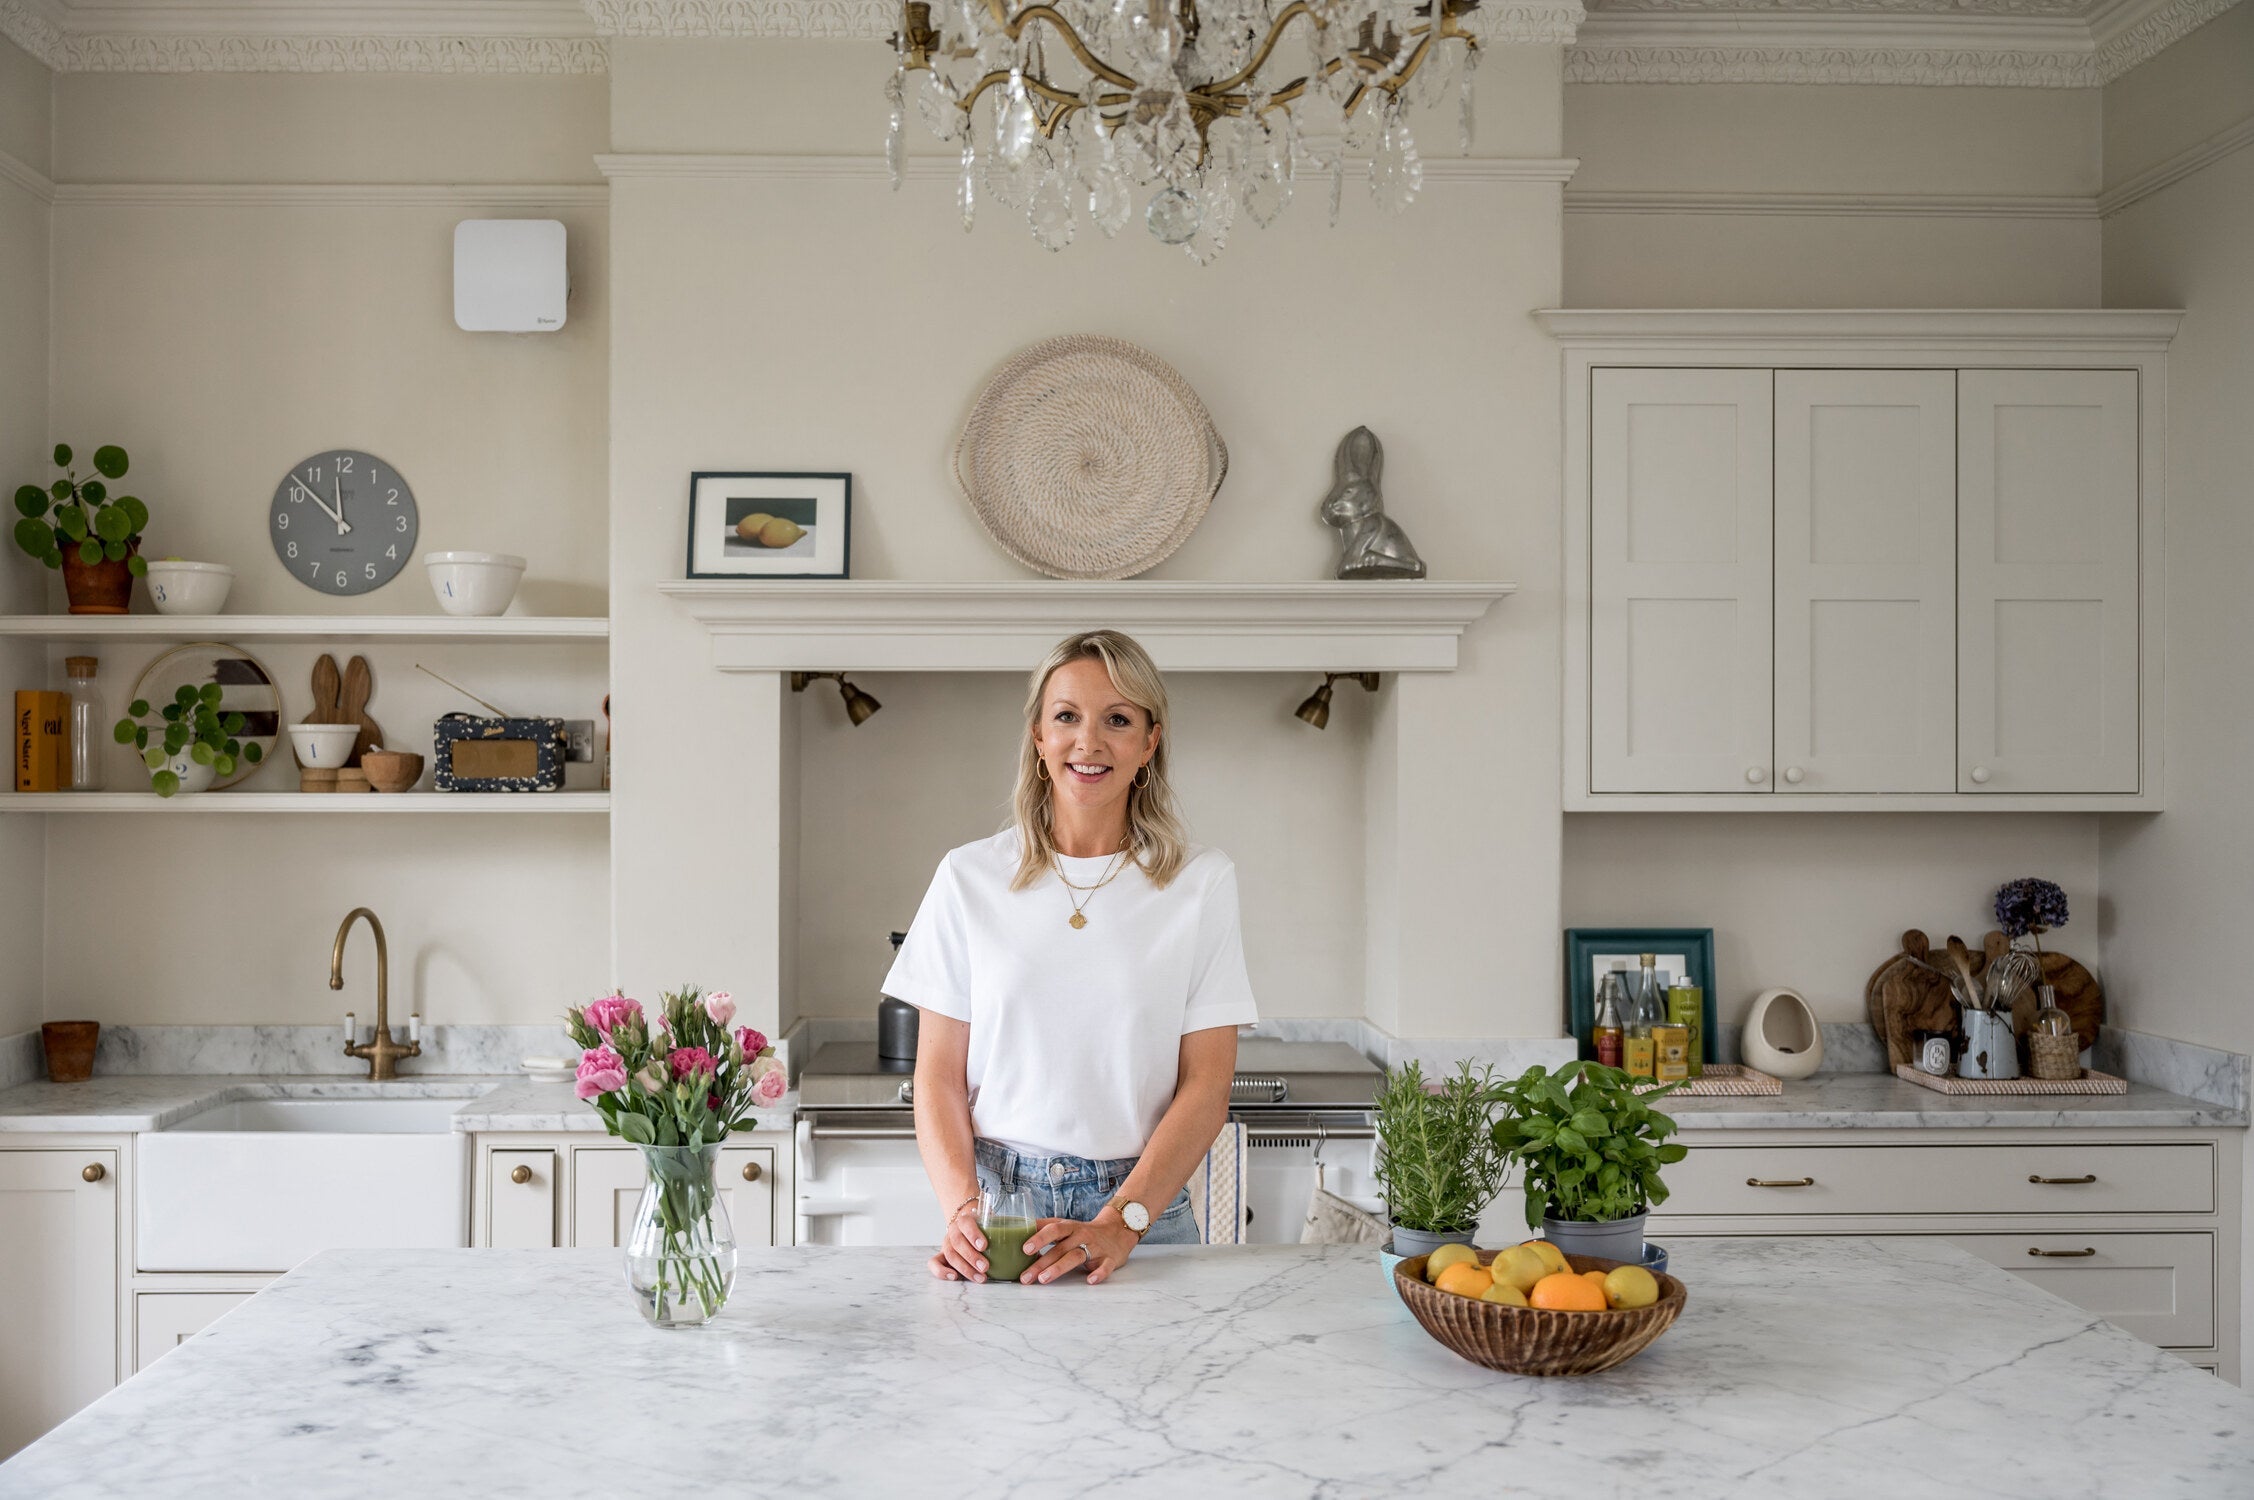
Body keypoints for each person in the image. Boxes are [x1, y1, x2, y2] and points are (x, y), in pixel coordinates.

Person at [884, 629, 1257, 1285]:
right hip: (1001, 1211)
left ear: (1149, 742)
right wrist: (963, 1210)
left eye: (1117, 719)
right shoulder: (968, 876)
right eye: (1067, 717)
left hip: (1143, 1214)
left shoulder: (1201, 883)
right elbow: (937, 1075)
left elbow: (1207, 1084)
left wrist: (1121, 1221)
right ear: (1038, 737)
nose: (1089, 742)